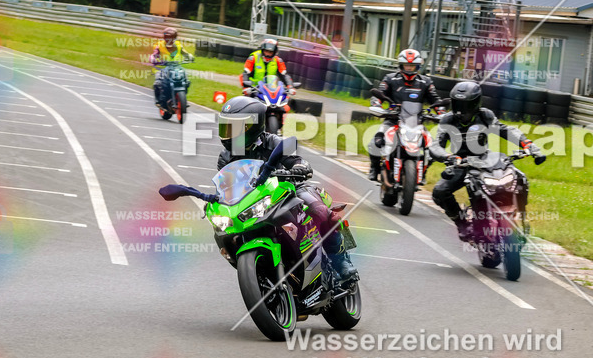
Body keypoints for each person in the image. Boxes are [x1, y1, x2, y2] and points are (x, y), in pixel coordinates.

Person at [215, 96, 356, 282]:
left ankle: (341, 260)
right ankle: (255, 271)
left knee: (320, 211)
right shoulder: (225, 157)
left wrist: (299, 167)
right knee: (224, 230)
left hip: (288, 190)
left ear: (253, 126)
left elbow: (297, 160)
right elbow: (225, 186)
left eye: (234, 127)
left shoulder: (273, 142)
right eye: (226, 127)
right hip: (253, 201)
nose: (228, 133)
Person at [428, 81, 545, 241]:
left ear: (475, 103)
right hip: (460, 163)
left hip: (485, 161)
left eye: (465, 104)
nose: (461, 109)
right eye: (457, 103)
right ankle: (461, 222)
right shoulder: (447, 120)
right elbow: (436, 145)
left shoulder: (485, 116)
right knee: (439, 192)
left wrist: (527, 144)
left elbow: (505, 130)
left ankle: (521, 217)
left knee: (519, 177)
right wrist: (448, 157)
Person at [367, 48, 443, 182]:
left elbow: (436, 100)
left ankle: (423, 171)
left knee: (432, 147)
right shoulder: (390, 79)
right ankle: (374, 168)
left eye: (412, 66)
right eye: (406, 65)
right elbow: (379, 94)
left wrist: (441, 112)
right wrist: (376, 104)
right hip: (393, 120)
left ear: (417, 66)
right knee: (376, 141)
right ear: (401, 65)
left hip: (416, 122)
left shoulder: (426, 82)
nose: (409, 68)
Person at [150, 27, 193, 108]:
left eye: (172, 37)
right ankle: (158, 100)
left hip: (176, 67)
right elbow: (154, 55)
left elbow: (185, 53)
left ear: (175, 38)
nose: (169, 39)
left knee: (186, 80)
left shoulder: (178, 45)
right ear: (164, 37)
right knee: (158, 82)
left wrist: (190, 57)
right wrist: (153, 59)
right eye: (168, 37)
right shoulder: (159, 45)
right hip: (162, 67)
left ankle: (182, 99)